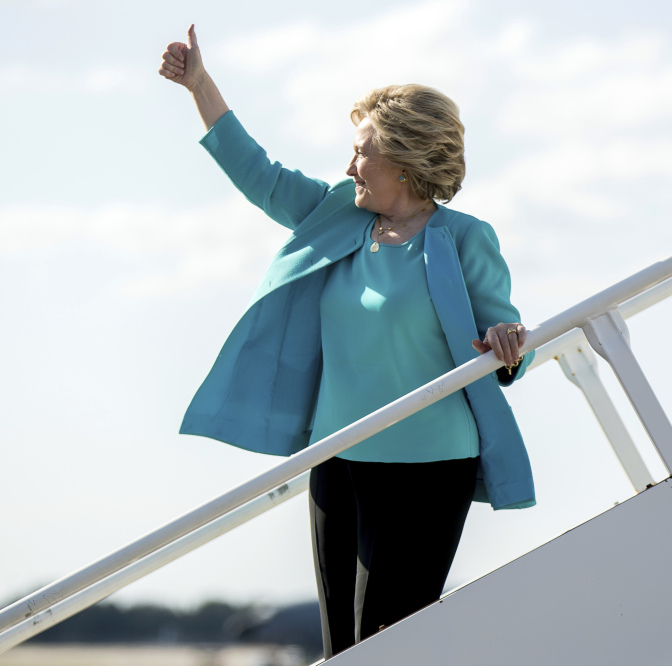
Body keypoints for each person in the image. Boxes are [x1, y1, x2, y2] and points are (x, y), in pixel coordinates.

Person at [160, 25, 537, 658]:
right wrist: (199, 85)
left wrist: (508, 346)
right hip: (338, 460)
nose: (349, 165)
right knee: (344, 647)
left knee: (388, 640)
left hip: (430, 467)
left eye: (361, 151)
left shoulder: (465, 238)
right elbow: (263, 177)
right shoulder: (342, 217)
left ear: (405, 159)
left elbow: (506, 346)